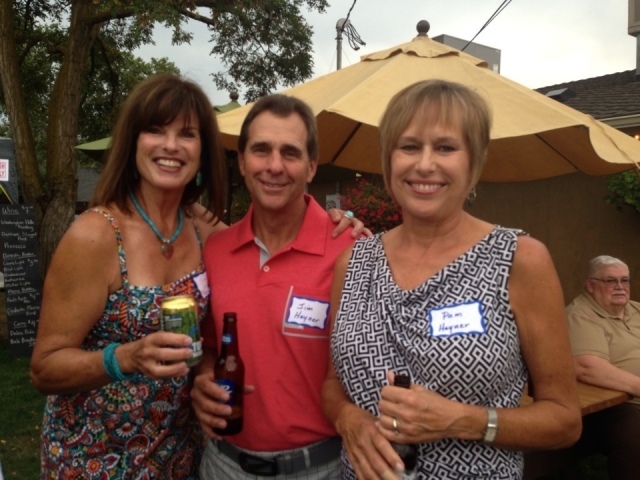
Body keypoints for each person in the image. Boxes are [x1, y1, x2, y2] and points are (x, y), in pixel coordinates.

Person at [30, 74, 361, 479]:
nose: (170, 145)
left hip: (181, 456)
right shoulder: (96, 234)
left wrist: (204, 374)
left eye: (186, 134)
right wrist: (127, 357)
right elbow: (43, 367)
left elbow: (210, 342)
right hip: (100, 455)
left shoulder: (209, 235)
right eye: (155, 130)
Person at [322, 79, 582, 480]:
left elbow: (565, 420)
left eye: (445, 147)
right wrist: (348, 419)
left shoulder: (519, 259)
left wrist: (463, 420)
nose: (425, 164)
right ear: (388, 160)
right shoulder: (354, 262)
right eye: (409, 146)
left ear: (474, 161)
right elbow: (332, 383)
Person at [191, 94, 359, 479]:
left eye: (291, 153)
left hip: (321, 468)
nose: (274, 166)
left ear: (312, 167)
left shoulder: (351, 251)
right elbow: (211, 346)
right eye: (261, 150)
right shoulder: (215, 250)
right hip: (224, 464)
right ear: (243, 162)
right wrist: (202, 377)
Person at [566, 255, 640, 480]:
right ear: (590, 285)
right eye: (610, 281)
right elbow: (588, 367)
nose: (620, 287)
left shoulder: (636, 310)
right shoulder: (580, 316)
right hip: (619, 404)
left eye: (624, 281)